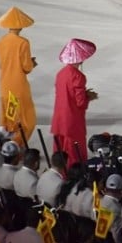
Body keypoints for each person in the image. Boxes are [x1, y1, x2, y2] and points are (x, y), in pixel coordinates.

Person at [50, 38, 98, 166]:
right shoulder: (78, 76)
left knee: (60, 148)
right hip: (72, 119)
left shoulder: (60, 73)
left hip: (59, 117)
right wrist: (89, 96)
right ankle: (73, 173)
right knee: (73, 151)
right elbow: (80, 102)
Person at [0, 6, 37, 142]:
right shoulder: (23, 43)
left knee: (10, 116)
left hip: (5, 83)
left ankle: (7, 144)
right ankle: (17, 144)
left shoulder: (0, 43)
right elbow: (26, 67)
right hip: (18, 85)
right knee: (27, 120)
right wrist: (32, 64)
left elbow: (3, 63)